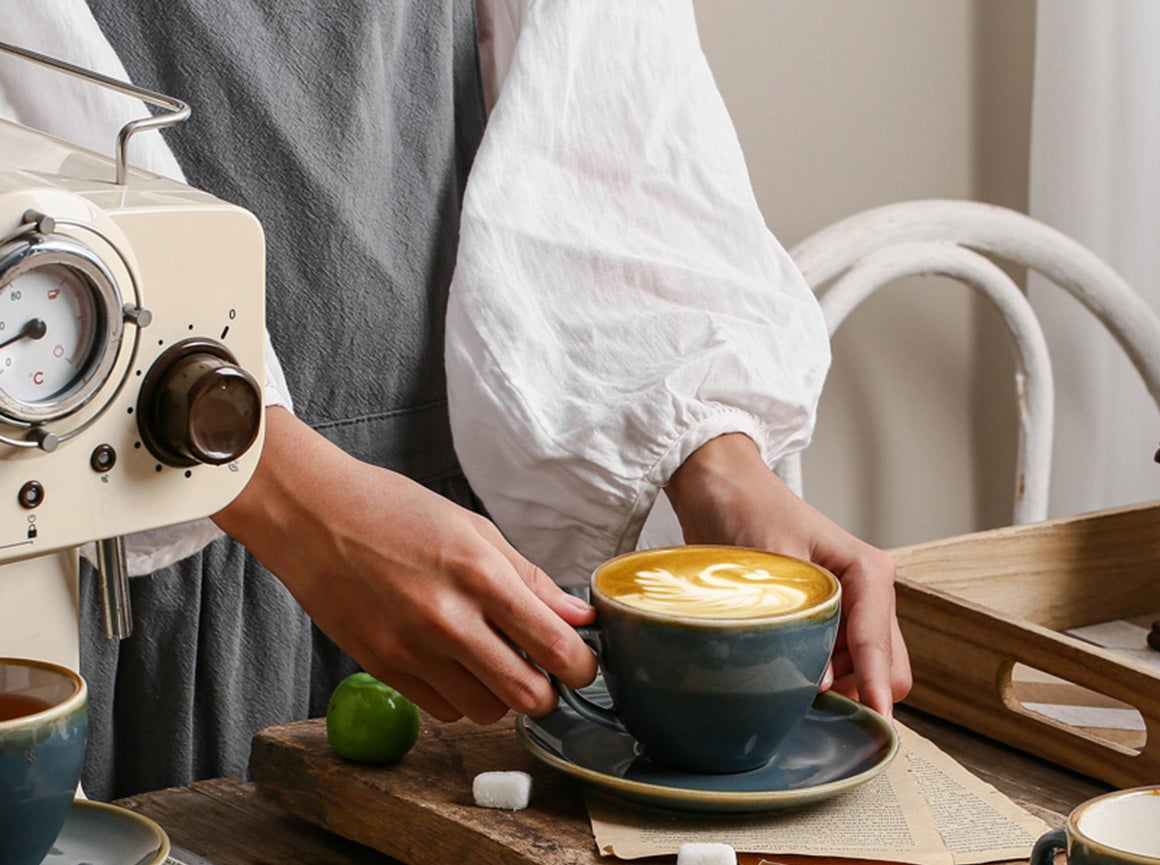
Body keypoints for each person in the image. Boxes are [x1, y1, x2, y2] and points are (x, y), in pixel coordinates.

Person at [4, 2, 911, 801]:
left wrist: (712, 454)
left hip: (472, 554)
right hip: (118, 568)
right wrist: (277, 490)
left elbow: (607, 101)